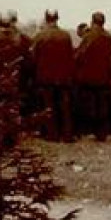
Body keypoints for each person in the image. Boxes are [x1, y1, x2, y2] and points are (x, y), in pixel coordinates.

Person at [31, 10, 75, 142]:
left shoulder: (40, 36)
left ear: (46, 18)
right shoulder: (66, 35)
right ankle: (67, 134)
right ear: (57, 18)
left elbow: (33, 57)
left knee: (48, 105)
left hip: (45, 77)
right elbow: (70, 57)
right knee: (64, 106)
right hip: (63, 77)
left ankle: (52, 134)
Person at [74, 12, 111, 142]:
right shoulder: (110, 37)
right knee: (103, 104)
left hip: (88, 76)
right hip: (104, 76)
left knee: (88, 104)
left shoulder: (88, 36)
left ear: (92, 21)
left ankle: (86, 130)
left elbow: (79, 55)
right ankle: (102, 133)